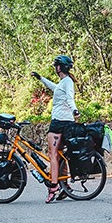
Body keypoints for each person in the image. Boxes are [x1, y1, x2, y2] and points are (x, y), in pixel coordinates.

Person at [31, 55, 79, 203]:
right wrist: (41, 78)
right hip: (67, 122)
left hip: (59, 122)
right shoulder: (64, 82)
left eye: (56, 65)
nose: (55, 68)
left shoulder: (67, 82)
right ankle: (65, 186)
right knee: (59, 155)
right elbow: (54, 87)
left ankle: (53, 186)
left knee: (52, 154)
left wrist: (75, 110)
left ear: (60, 67)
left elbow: (70, 98)